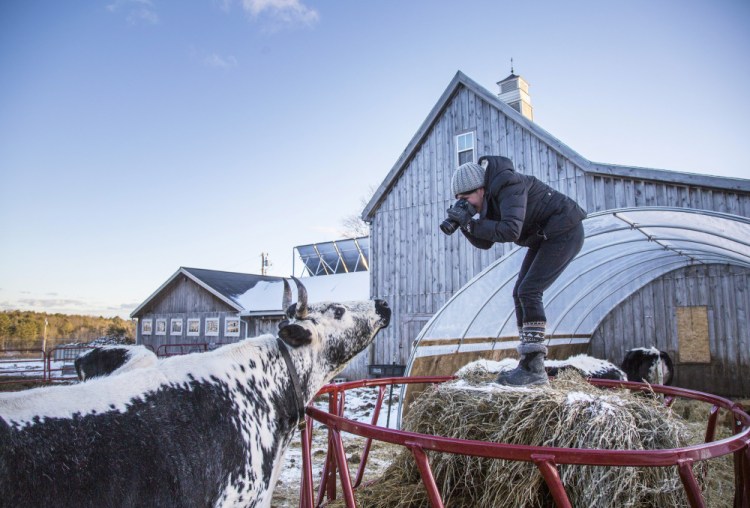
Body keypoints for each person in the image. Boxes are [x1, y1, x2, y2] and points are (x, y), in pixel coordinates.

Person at [446, 155, 586, 386]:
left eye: (467, 198)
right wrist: (464, 224)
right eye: (459, 200)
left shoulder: (508, 184)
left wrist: (471, 223)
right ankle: (528, 364)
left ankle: (534, 370)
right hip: (544, 237)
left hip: (565, 230)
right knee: (519, 292)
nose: (466, 203)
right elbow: (485, 242)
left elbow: (510, 230)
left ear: (481, 189)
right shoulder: (488, 199)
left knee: (529, 290)